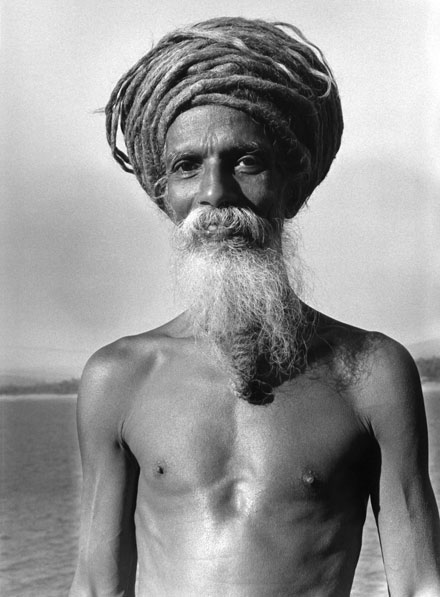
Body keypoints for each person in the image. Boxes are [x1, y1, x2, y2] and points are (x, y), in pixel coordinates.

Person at [69, 17, 440, 597]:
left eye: (246, 160)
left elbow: (421, 581)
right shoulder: (119, 378)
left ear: (293, 186)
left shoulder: (371, 372)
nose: (216, 193)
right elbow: (95, 586)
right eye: (187, 165)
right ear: (164, 195)